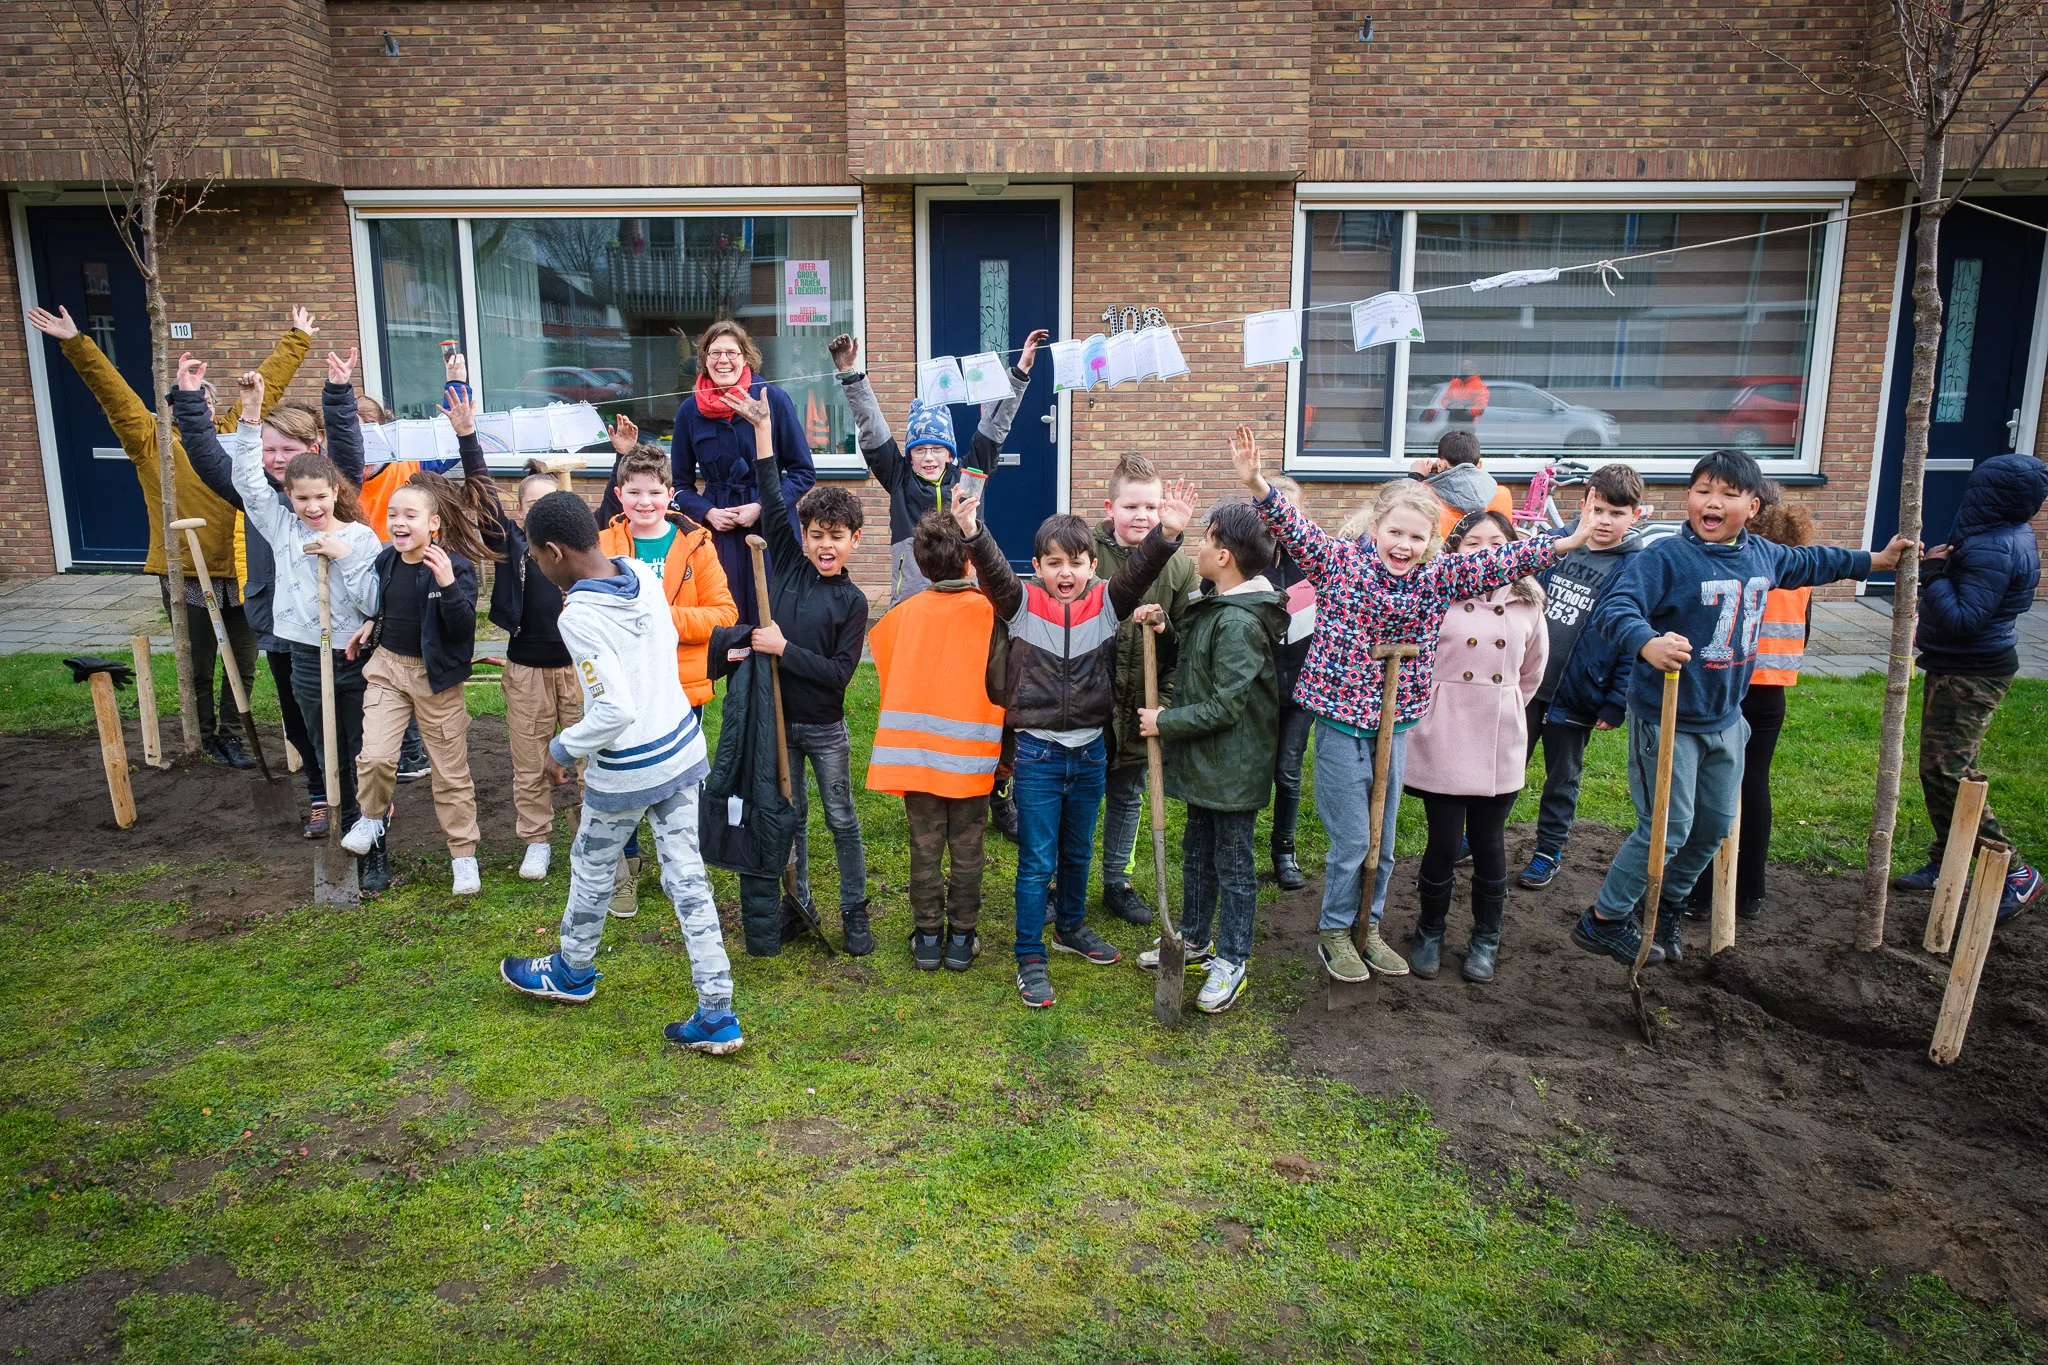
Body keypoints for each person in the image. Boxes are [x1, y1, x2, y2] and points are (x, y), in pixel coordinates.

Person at [1231, 424, 1595, 985]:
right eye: (1394, 532)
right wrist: (1257, 481)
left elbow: (1503, 562)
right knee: (1353, 840)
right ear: (1376, 528)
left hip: (1395, 726)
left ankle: (1369, 928)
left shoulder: (1437, 577)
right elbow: (1294, 529)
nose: (1403, 545)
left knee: (1385, 839)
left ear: (1431, 540)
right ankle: (1335, 931)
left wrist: (1568, 541)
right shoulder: (1339, 564)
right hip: (1337, 723)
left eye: (1416, 537)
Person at [1576, 448, 1910, 965]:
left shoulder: (1763, 555)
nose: (1712, 503)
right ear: (1687, 497)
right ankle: (1604, 918)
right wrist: (1647, 643)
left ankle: (1665, 906)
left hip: (1727, 720)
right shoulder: (1664, 558)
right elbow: (1616, 608)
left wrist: (1877, 561)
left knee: (1713, 824)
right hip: (1667, 718)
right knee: (1667, 827)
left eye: (1728, 496)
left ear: (1752, 507)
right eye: (1703, 492)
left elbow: (1815, 561)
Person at [498, 491, 742, 1056]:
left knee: (590, 863)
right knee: (688, 880)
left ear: (555, 552)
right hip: (681, 748)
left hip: (628, 769)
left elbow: (614, 711)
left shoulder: (579, 616)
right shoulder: (637, 571)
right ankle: (717, 1011)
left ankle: (572, 971)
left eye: (536, 557)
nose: (537, 566)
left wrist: (562, 747)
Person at [29, 303, 314, 767]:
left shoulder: (233, 436)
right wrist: (76, 342)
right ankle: (201, 738)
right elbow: (115, 396)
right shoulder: (151, 441)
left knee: (241, 663)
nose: (196, 404)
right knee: (198, 664)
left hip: (243, 567)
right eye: (185, 398)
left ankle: (232, 735)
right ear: (172, 404)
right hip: (185, 568)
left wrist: (297, 338)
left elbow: (267, 384)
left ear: (213, 404)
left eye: (203, 397)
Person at [954, 480, 1194, 1008]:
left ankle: (1070, 927)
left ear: (1093, 567)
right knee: (1038, 860)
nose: (1067, 573)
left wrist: (1168, 532)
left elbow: (1140, 570)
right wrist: (973, 532)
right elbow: (992, 568)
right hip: (1038, 754)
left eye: (1077, 563)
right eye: (1055, 563)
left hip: (1090, 752)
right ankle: (1028, 955)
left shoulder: (1109, 604)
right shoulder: (1020, 605)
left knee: (1079, 849)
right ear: (1037, 567)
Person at [708, 386, 873, 956]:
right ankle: (798, 902)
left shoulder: (852, 603)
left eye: (837, 538)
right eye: (817, 536)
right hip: (779, 724)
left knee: (842, 819)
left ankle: (855, 910)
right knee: (792, 816)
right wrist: (761, 432)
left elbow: (837, 675)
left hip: (824, 729)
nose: (825, 546)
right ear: (804, 537)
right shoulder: (787, 565)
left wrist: (781, 649)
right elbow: (772, 495)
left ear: (855, 541)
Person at [172, 349, 364, 837]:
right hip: (280, 625)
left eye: (289, 449)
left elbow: (347, 452)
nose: (277, 460)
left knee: (353, 720)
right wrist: (192, 402)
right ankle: (321, 796)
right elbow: (213, 459)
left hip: (341, 626)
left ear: (314, 451)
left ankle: (365, 801)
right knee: (300, 720)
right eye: (268, 449)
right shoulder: (259, 501)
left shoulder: (327, 492)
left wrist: (340, 394)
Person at [1135, 501, 1288, 1013]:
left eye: (1204, 539)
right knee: (1197, 852)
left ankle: (1234, 958)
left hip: (1233, 767)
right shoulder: (1217, 606)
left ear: (1223, 556)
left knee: (1234, 864)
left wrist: (1165, 722)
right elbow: (1198, 660)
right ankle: (1195, 939)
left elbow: (1227, 706)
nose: (1196, 546)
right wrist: (1165, 631)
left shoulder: (1241, 623)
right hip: (1209, 763)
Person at [226, 371, 383, 860]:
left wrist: (344, 556)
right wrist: (251, 414)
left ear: (336, 492)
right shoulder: (281, 528)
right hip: (302, 650)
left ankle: (371, 820)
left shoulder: (359, 538)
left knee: (360, 743)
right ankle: (331, 804)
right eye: (302, 498)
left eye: (321, 497)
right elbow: (248, 481)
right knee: (317, 735)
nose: (312, 507)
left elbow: (375, 602)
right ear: (289, 498)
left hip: (351, 652)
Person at [1895, 453, 2048, 918]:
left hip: (1972, 671)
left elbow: (1962, 619)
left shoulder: (1993, 546)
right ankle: (1950, 860)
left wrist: (1933, 576)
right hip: (1965, 666)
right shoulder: (2001, 537)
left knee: (1948, 772)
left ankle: (2014, 872)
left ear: (1989, 493)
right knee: (1946, 768)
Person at [1398, 510, 1548, 982]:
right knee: (1443, 841)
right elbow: (1415, 659)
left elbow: (1532, 674)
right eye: (1473, 543)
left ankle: (1486, 936)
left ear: (1513, 549)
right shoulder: (1436, 595)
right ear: (1455, 552)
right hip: (1443, 730)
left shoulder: (1527, 604)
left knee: (1488, 842)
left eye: (1496, 542)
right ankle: (1429, 930)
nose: (1485, 551)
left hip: (1498, 736)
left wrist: (1502, 707)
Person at [595, 442, 737, 918]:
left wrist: (662, 617)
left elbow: (724, 614)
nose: (644, 502)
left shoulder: (696, 546)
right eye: (633, 492)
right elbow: (581, 603)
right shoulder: (604, 545)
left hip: (679, 685)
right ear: (619, 494)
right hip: (620, 684)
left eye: (654, 492)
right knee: (621, 775)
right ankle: (625, 868)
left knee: (678, 779)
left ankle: (681, 869)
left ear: (670, 494)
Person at [866, 510, 1007, 971]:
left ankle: (927, 937)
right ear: (970, 561)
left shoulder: (898, 619)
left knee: (924, 848)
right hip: (972, 759)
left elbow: (889, 679)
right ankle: (962, 939)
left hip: (916, 760)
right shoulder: (991, 615)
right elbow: (1005, 685)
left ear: (921, 565)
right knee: (969, 848)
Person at [338, 470, 486, 895]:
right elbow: (391, 604)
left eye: (410, 515)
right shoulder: (386, 560)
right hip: (387, 668)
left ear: (433, 523)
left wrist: (446, 585)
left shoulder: (454, 567)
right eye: (392, 514)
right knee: (376, 759)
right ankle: (371, 816)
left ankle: (463, 856)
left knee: (450, 774)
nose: (399, 522)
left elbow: (461, 630)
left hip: (435, 678)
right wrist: (372, 624)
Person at [829, 328, 1044, 604]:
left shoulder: (969, 476)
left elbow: (995, 427)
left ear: (950, 454)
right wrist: (849, 373)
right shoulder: (898, 478)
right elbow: (872, 426)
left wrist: (1021, 371)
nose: (928, 457)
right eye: (919, 450)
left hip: (965, 594)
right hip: (912, 599)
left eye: (937, 449)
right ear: (909, 455)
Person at [1676, 489, 1807, 922]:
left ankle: (1700, 890)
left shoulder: (1747, 564)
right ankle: (1750, 890)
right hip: (1774, 690)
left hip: (1731, 682)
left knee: (1710, 788)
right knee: (1754, 784)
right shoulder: (1798, 568)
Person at [1517, 463, 1647, 888]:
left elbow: (1633, 642)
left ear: (1635, 515)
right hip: (1528, 685)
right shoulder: (1558, 546)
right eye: (1599, 510)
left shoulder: (1635, 570)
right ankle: (1477, 836)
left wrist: (1615, 700)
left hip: (1577, 696)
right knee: (1505, 764)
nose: (1605, 521)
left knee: (1562, 777)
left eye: (1617, 513)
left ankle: (1548, 851)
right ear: (1584, 505)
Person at [1095, 453, 1203, 928]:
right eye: (1131, 506)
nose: (1142, 516)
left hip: (1143, 703)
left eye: (1152, 508)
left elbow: (1189, 643)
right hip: (1090, 702)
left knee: (1128, 795)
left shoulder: (1179, 568)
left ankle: (1117, 880)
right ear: (1110, 507)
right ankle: (1063, 878)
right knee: (1074, 797)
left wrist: (1166, 635)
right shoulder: (1086, 551)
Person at [656, 320, 817, 628]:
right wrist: (708, 513)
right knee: (725, 619)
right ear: (704, 358)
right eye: (715, 353)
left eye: (731, 352)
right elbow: (679, 484)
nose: (723, 360)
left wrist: (761, 505)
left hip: (772, 526)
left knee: (774, 615)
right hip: (720, 530)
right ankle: (733, 673)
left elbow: (802, 472)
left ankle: (774, 676)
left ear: (746, 357)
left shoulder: (773, 400)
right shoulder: (690, 411)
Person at [1266, 474, 1315, 890]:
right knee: (1248, 773)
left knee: (1288, 771)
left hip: (1302, 690)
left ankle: (1284, 851)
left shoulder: (1316, 564)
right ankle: (1235, 849)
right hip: (1254, 689)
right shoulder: (1241, 560)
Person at [1411, 429, 1514, 541]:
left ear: (1441, 464)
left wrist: (1415, 477)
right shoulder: (1502, 494)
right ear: (1479, 464)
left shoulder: (1424, 494)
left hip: (1444, 557)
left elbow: (1407, 521)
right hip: (1489, 557)